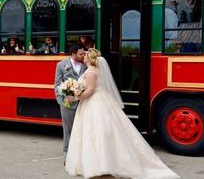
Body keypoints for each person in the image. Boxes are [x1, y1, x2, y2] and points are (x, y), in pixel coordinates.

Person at [65, 48, 179, 179]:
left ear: (90, 59)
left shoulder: (90, 72)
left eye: (85, 55)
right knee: (101, 132)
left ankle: (100, 165)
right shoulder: (93, 70)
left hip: (94, 103)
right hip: (97, 102)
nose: (83, 56)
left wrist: (75, 97)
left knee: (95, 132)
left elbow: (90, 90)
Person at [54, 43, 86, 158]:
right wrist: (61, 101)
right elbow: (57, 84)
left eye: (84, 53)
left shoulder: (85, 66)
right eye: (81, 54)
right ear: (73, 54)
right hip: (67, 103)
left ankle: (80, 153)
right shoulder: (61, 65)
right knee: (68, 129)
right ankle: (66, 153)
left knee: (82, 127)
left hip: (83, 102)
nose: (83, 55)